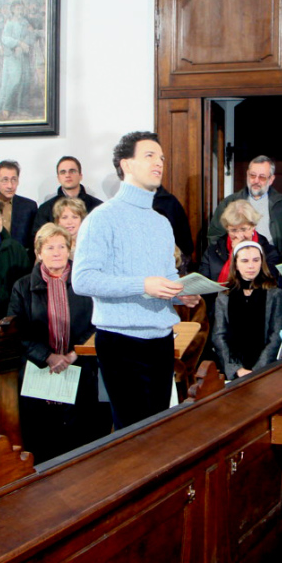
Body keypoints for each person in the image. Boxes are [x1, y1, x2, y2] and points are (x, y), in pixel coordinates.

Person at [73, 131, 199, 430]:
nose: (159, 163)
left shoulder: (161, 222)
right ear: (126, 164)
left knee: (157, 431)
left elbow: (166, 277)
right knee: (132, 435)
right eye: (150, 156)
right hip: (121, 341)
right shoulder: (101, 218)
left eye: (162, 158)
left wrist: (180, 294)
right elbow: (83, 280)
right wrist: (142, 285)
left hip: (161, 339)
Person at [8, 224, 112, 463]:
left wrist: (75, 353)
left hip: (82, 368)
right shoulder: (22, 287)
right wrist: (47, 356)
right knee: (44, 442)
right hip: (39, 370)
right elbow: (17, 330)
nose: (57, 252)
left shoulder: (85, 282)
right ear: (39, 252)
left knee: (84, 442)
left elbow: (99, 321)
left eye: (62, 246)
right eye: (50, 247)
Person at [211, 240, 282, 381]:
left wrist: (258, 370)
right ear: (236, 264)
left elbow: (277, 334)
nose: (251, 266)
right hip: (235, 371)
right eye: (245, 261)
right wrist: (236, 369)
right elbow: (219, 335)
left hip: (265, 371)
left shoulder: (274, 294)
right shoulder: (224, 296)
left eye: (256, 260)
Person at [207, 155, 282, 259]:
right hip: (237, 260)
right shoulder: (230, 202)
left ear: (271, 179)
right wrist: (227, 258)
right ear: (247, 174)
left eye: (262, 177)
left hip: (272, 260)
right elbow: (215, 237)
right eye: (252, 175)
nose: (256, 181)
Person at [198, 200, 280, 285]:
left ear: (253, 227)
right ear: (227, 228)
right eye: (233, 230)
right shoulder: (213, 251)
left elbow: (268, 283)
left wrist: (237, 253)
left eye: (243, 229)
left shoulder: (269, 252)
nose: (239, 235)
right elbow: (202, 283)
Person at [32, 156, 102, 236]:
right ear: (58, 178)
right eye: (63, 172)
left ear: (80, 175)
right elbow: (39, 239)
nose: (67, 175)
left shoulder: (98, 207)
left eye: (72, 171)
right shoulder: (45, 209)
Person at [0, 160, 38, 251]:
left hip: (20, 256)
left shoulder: (29, 206)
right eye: (5, 180)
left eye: (14, 180)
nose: (10, 185)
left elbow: (33, 239)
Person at [152, 185, 194, 266]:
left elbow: (186, 243)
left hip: (173, 259)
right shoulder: (131, 204)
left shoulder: (170, 202)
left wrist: (179, 260)